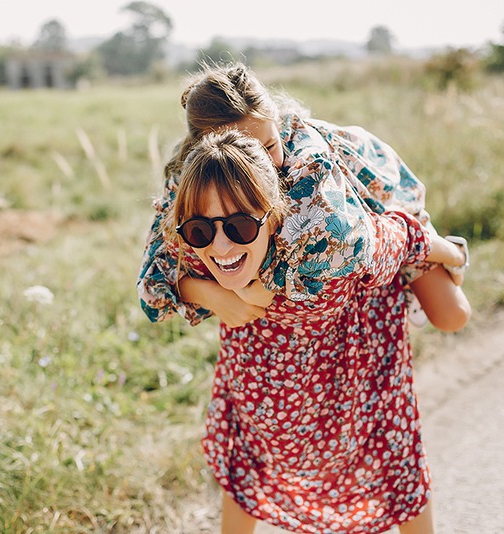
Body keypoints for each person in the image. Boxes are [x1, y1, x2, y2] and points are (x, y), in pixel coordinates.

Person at [156, 128, 463, 533]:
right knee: (245, 470)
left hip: (359, 380)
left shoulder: (334, 248)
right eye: (200, 231)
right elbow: (153, 282)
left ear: (275, 215)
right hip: (262, 396)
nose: (220, 247)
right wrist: (211, 294)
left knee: (397, 469)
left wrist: (451, 252)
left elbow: (400, 235)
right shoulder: (194, 238)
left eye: (241, 228)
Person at [139, 61, 470, 332]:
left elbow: (344, 246)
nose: (264, 164)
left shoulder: (306, 166)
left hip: (382, 204)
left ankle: (445, 247)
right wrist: (210, 294)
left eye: (269, 146)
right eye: (245, 155)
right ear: (206, 152)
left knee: (452, 316)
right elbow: (150, 286)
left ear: (277, 125)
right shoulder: (190, 176)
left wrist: (260, 288)